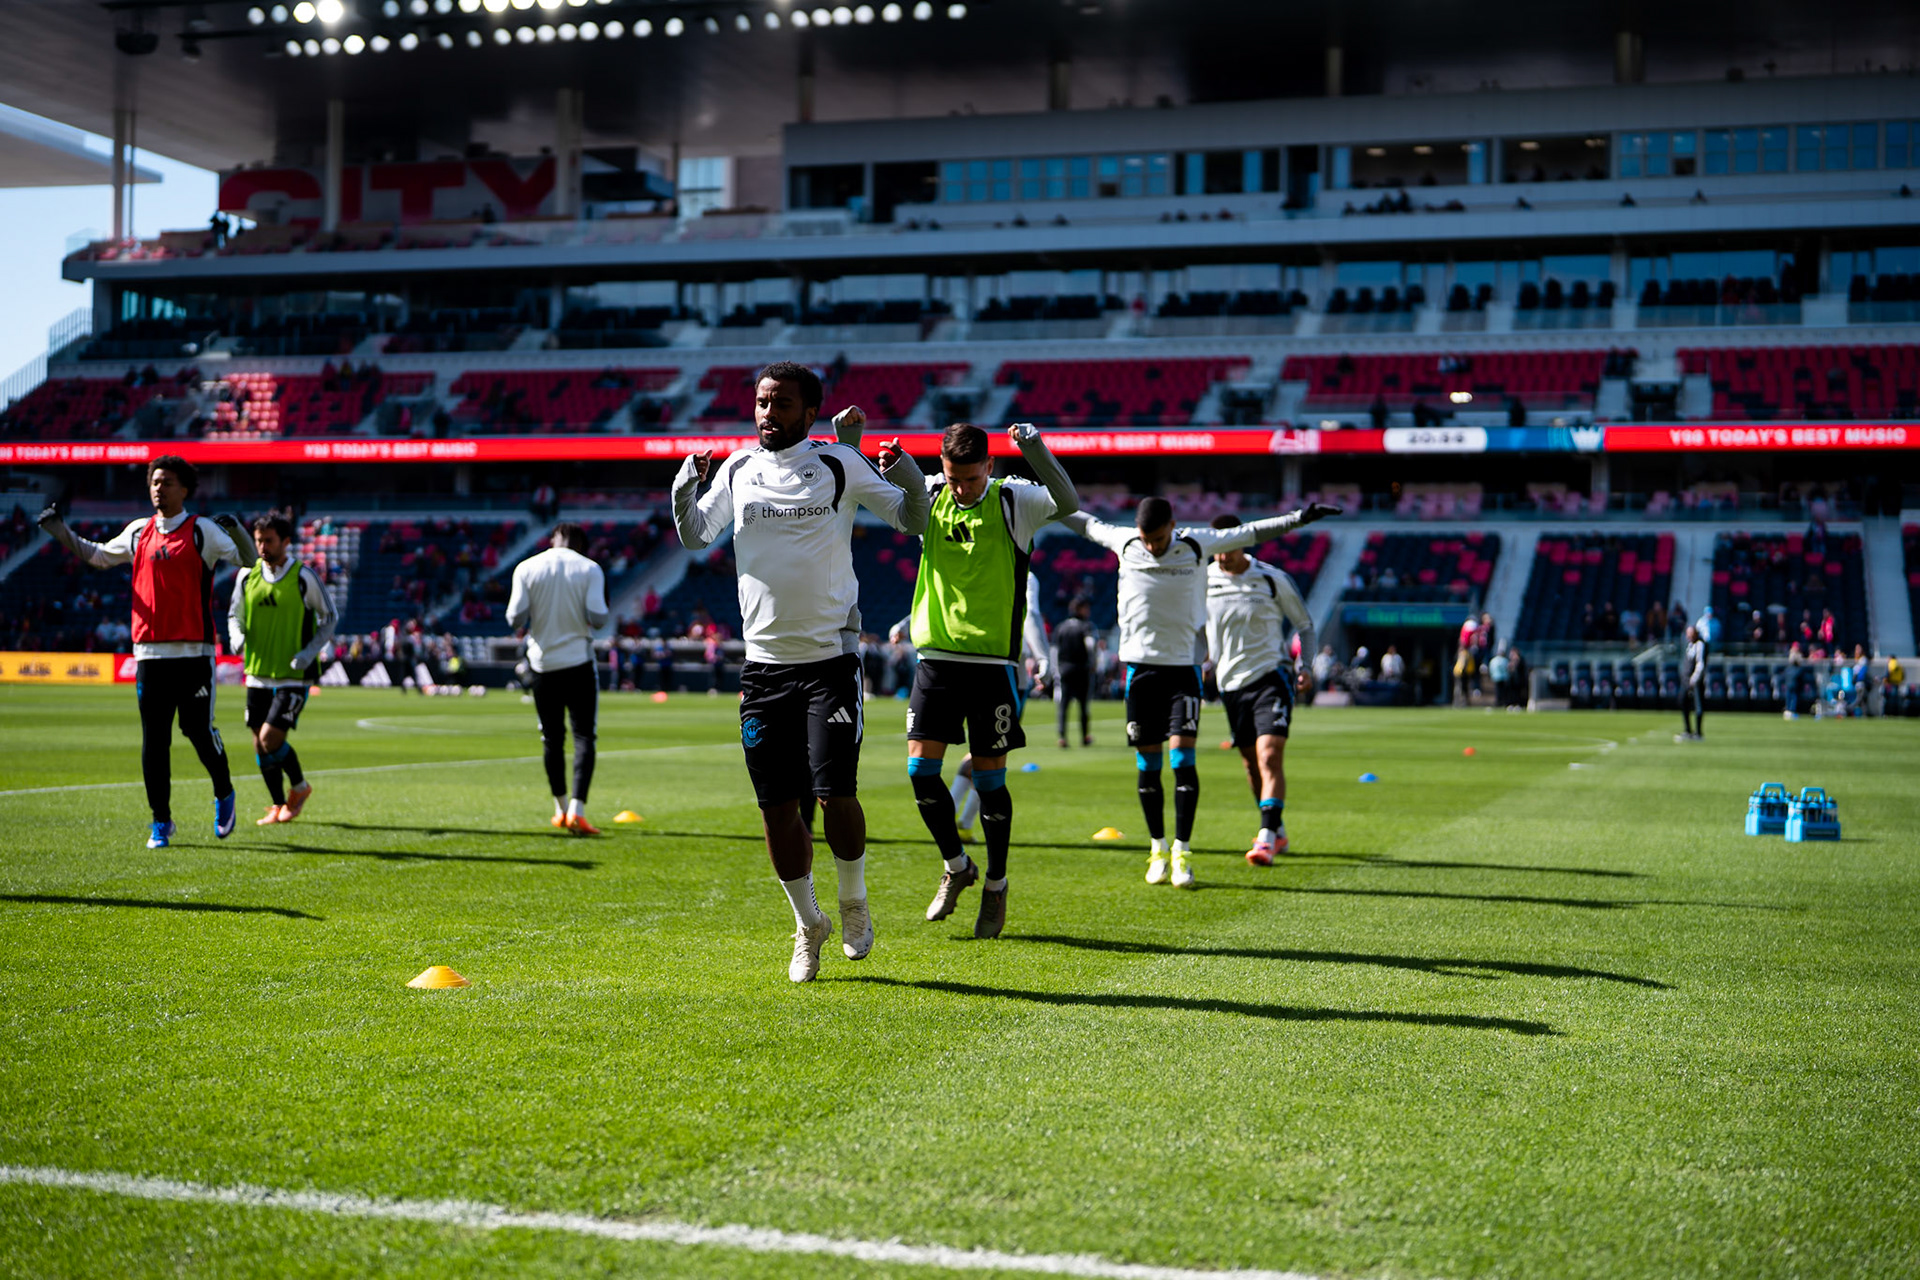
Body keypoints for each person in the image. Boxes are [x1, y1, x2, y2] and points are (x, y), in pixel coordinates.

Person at [672, 361, 930, 982]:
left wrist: (910, 475)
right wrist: (683, 488)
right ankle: (808, 923)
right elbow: (696, 536)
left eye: (782, 404)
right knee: (775, 808)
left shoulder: (840, 463)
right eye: (761, 402)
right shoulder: (737, 468)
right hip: (763, 667)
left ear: (809, 412)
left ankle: (853, 901)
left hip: (829, 662)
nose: (768, 413)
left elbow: (913, 520)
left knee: (836, 792)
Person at [1061, 496, 1339, 888]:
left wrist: (1299, 518)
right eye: (1147, 540)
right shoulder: (1127, 543)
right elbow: (1084, 523)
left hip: (1189, 673)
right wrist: (1044, 495)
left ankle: (1185, 851)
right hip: (1145, 672)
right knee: (1152, 767)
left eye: (1159, 539)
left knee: (1187, 760)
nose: (1153, 548)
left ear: (1172, 526)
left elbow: (1254, 531)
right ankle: (1157, 848)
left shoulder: (1197, 545)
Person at [903, 421, 1078, 940]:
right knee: (919, 772)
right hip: (935, 659)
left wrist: (1034, 447)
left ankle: (996, 885)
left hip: (992, 667)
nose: (961, 488)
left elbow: (1067, 500)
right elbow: (883, 498)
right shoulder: (931, 496)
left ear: (991, 467)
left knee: (989, 782)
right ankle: (957, 867)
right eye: (952, 477)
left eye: (971, 478)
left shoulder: (1014, 501)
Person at [37, 456, 257, 848]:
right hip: (149, 657)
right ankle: (161, 821)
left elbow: (249, 561)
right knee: (154, 742)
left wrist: (238, 529)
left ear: (184, 489)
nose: (159, 488)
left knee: (198, 731)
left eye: (168, 482)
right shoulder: (138, 532)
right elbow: (99, 556)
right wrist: (59, 532)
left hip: (194, 654)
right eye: (155, 482)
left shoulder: (201, 531)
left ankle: (224, 793)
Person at [1205, 514, 1315, 866]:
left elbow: (1305, 625)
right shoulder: (1202, 579)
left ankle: (1265, 838)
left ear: (1245, 542)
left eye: (1229, 548)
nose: (1222, 556)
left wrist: (1307, 666)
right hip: (1229, 685)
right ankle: (1277, 828)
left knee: (1269, 755)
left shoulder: (1271, 579)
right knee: (1252, 766)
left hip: (1271, 676)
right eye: (1217, 549)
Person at [227, 514, 335, 826]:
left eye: (268, 540)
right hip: (257, 671)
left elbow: (329, 616)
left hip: (294, 674)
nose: (262, 546)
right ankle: (278, 804)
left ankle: (299, 789)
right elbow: (235, 614)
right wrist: (236, 637)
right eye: (258, 540)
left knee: (270, 738)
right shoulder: (247, 575)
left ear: (286, 542)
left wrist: (309, 652)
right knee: (258, 743)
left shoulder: (303, 577)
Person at [507, 522, 610, 835]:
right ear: (580, 544)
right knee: (583, 736)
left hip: (542, 664)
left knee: (551, 738)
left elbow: (514, 618)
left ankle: (560, 807)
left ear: (553, 538)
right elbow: (598, 617)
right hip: (578, 661)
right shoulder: (590, 568)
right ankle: (577, 810)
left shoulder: (527, 567)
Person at [1051, 596, 1095, 748]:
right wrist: (1093, 662)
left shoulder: (1061, 627)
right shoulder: (1085, 627)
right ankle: (1084, 737)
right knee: (1083, 705)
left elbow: (1054, 650)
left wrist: (1055, 668)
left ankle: (1062, 737)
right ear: (1079, 609)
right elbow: (1090, 644)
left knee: (1064, 705)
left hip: (1065, 669)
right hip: (1081, 668)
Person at [1678, 624, 1707, 741]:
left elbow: (1700, 664)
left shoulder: (1700, 645)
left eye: (1690, 633)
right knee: (1682, 701)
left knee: (1698, 706)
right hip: (1686, 681)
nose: (1688, 636)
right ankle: (1688, 730)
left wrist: (1694, 679)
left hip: (1695, 682)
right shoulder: (1689, 646)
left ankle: (1698, 733)